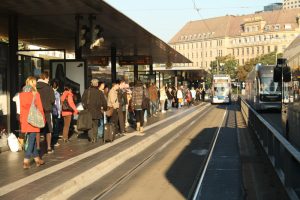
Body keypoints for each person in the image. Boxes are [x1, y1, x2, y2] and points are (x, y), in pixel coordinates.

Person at [19, 76, 45, 169]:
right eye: (35, 82)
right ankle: (26, 161)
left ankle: (37, 159)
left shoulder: (21, 94)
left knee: (32, 140)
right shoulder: (35, 94)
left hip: (25, 119)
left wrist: (22, 120)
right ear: (33, 83)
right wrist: (43, 119)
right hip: (33, 119)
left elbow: (21, 109)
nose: (36, 84)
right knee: (31, 141)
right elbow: (40, 108)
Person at [36, 72, 55, 154]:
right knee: (48, 129)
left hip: (37, 111)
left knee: (37, 129)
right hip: (47, 111)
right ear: (46, 78)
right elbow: (53, 100)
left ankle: (37, 146)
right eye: (48, 78)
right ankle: (49, 147)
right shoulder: (49, 88)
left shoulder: (35, 87)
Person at [51, 80, 61, 147]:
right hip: (56, 112)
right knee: (56, 127)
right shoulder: (57, 93)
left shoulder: (49, 92)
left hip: (50, 112)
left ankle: (51, 141)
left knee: (51, 127)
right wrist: (59, 112)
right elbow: (58, 104)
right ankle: (54, 141)